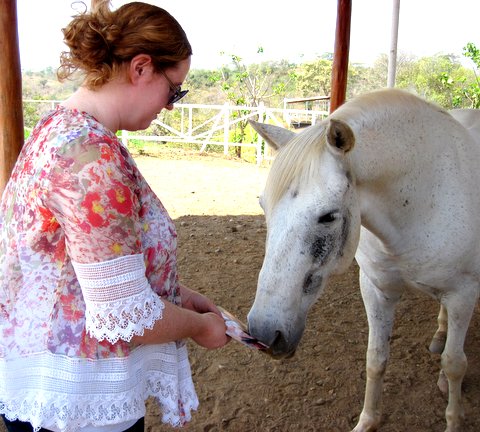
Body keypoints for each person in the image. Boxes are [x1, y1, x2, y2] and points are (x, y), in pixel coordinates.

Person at [0, 2, 230, 431]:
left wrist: (176, 293)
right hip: (77, 405)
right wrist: (199, 327)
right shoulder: (91, 158)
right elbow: (122, 313)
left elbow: (80, 269)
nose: (171, 106)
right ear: (142, 68)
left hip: (51, 391)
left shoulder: (59, 130)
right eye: (174, 89)